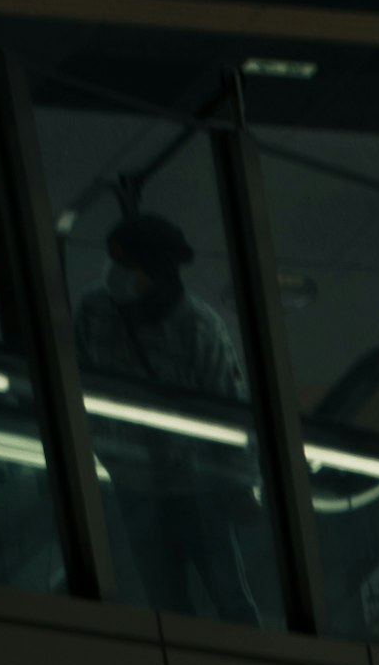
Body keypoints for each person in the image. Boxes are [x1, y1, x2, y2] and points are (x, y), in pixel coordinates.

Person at [69, 208, 264, 620]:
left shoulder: (197, 328)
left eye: (128, 265)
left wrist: (238, 485)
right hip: (132, 482)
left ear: (157, 271)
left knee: (228, 594)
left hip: (198, 487)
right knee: (164, 598)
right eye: (115, 262)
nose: (115, 273)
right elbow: (77, 383)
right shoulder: (93, 311)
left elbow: (232, 412)